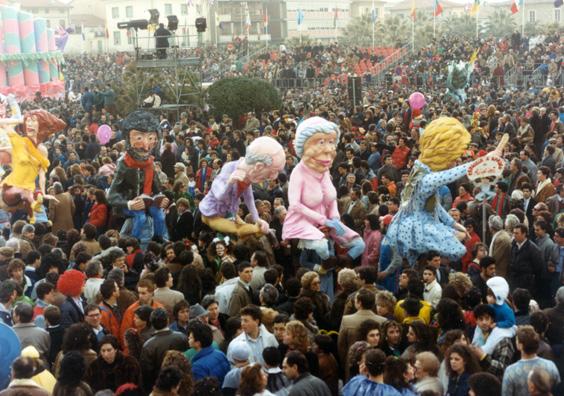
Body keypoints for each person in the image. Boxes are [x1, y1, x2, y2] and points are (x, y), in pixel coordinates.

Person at [199, 136, 285, 237]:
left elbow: (249, 199)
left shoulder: (247, 174)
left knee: (246, 230)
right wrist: (230, 183)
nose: (272, 177)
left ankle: (264, 231)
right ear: (258, 166)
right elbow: (219, 196)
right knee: (240, 230)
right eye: (271, 173)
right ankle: (264, 231)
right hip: (211, 213)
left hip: (229, 212)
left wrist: (257, 219)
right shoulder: (229, 168)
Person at [107, 111, 170, 243]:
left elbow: (157, 189)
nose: (146, 146)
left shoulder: (150, 163)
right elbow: (111, 195)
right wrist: (129, 204)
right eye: (139, 138)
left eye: (151, 139)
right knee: (140, 218)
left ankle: (159, 240)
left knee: (160, 216)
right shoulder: (123, 164)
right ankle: (133, 240)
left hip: (147, 202)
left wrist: (161, 198)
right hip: (130, 204)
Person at [501, 325, 560, 396]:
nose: (515, 341)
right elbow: (557, 389)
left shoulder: (510, 371)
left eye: (517, 340)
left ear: (520, 345)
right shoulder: (550, 365)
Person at [140, 307, 189, 391]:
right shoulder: (181, 337)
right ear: (167, 320)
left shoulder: (148, 346)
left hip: (161, 388)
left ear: (152, 323)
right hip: (181, 384)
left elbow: (147, 374)